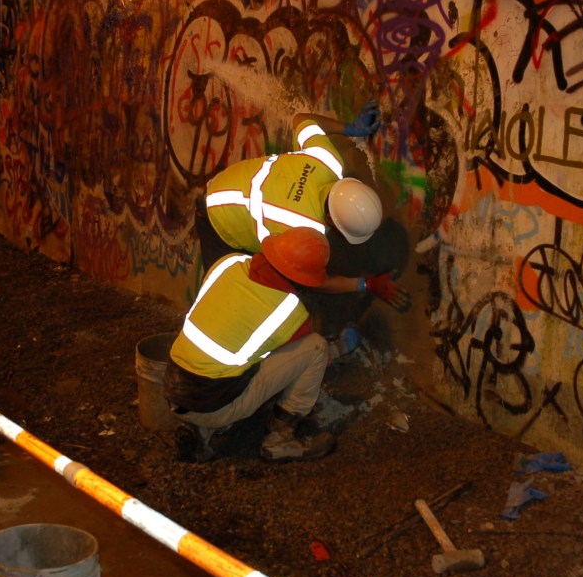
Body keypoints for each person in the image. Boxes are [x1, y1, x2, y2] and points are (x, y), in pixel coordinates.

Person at [164, 227, 355, 463]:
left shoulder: (229, 263)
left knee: (231, 357)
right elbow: (304, 357)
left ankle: (201, 431)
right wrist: (341, 347)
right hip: (212, 406)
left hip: (173, 388)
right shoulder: (290, 313)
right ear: (305, 278)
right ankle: (280, 440)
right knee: (315, 347)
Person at [197, 100, 410, 312]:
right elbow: (318, 282)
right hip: (218, 224)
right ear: (330, 221)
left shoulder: (327, 161)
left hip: (223, 184)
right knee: (233, 306)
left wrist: (349, 128)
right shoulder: (306, 232)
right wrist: (366, 284)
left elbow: (302, 120)